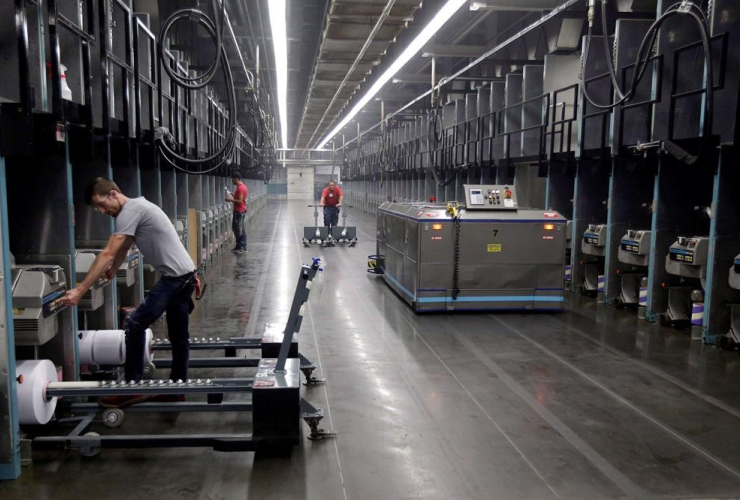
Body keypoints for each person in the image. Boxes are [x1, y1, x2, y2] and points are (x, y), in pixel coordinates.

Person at [61, 177, 200, 408]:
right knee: (178, 336)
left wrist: (80, 290)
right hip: (185, 274)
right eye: (98, 209)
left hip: (174, 278)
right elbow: (125, 245)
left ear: (114, 194)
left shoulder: (130, 210)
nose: (102, 211)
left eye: (102, 205)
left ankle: (131, 387)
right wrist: (115, 269)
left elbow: (107, 252)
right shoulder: (139, 207)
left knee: (134, 323)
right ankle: (177, 388)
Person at [226, 173, 248, 253]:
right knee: (235, 228)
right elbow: (239, 197)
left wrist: (230, 200)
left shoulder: (241, 188)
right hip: (238, 211)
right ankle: (238, 245)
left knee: (241, 229)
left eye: (232, 179)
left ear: (236, 178)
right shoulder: (240, 187)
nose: (232, 180)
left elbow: (240, 201)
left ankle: (243, 246)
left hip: (240, 211)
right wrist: (232, 194)